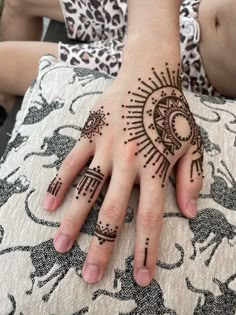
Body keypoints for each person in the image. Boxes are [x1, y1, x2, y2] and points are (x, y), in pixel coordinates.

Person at [0, 0, 232, 287]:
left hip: (199, 70)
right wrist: (151, 54)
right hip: (173, 11)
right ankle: (10, 108)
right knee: (17, 2)